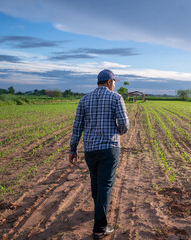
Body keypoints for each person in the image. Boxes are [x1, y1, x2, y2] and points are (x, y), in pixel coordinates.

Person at [69, 69, 129, 239]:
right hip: (109, 149)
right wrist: (116, 131)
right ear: (110, 82)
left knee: (95, 182)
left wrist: (73, 149)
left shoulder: (84, 99)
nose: (115, 84)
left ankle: (98, 212)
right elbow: (124, 125)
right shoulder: (116, 97)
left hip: (90, 150)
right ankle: (100, 227)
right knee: (105, 185)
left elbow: (77, 127)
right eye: (114, 81)